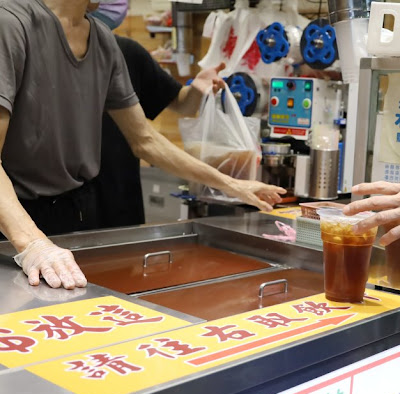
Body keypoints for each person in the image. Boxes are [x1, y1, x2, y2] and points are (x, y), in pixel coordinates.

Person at [0, 0, 285, 291]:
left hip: (77, 215)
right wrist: (33, 244)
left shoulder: (101, 39)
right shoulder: (10, 24)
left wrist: (231, 184)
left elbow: (146, 141)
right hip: (15, 224)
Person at [88, 4, 229, 228]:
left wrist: (197, 88)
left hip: (121, 204)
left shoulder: (127, 53)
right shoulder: (46, 57)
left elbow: (180, 104)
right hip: (64, 207)